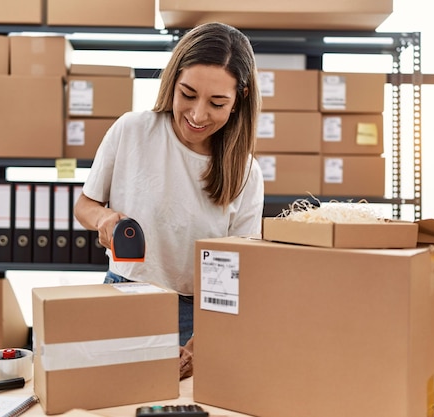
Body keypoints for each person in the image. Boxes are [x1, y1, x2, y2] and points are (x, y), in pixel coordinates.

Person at [73, 21, 264, 375]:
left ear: (240, 101)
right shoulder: (132, 131)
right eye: (187, 94)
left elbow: (237, 272)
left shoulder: (246, 175)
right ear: (172, 81)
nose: (197, 115)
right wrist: (103, 220)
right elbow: (85, 205)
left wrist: (197, 343)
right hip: (123, 295)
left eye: (217, 103)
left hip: (198, 314)